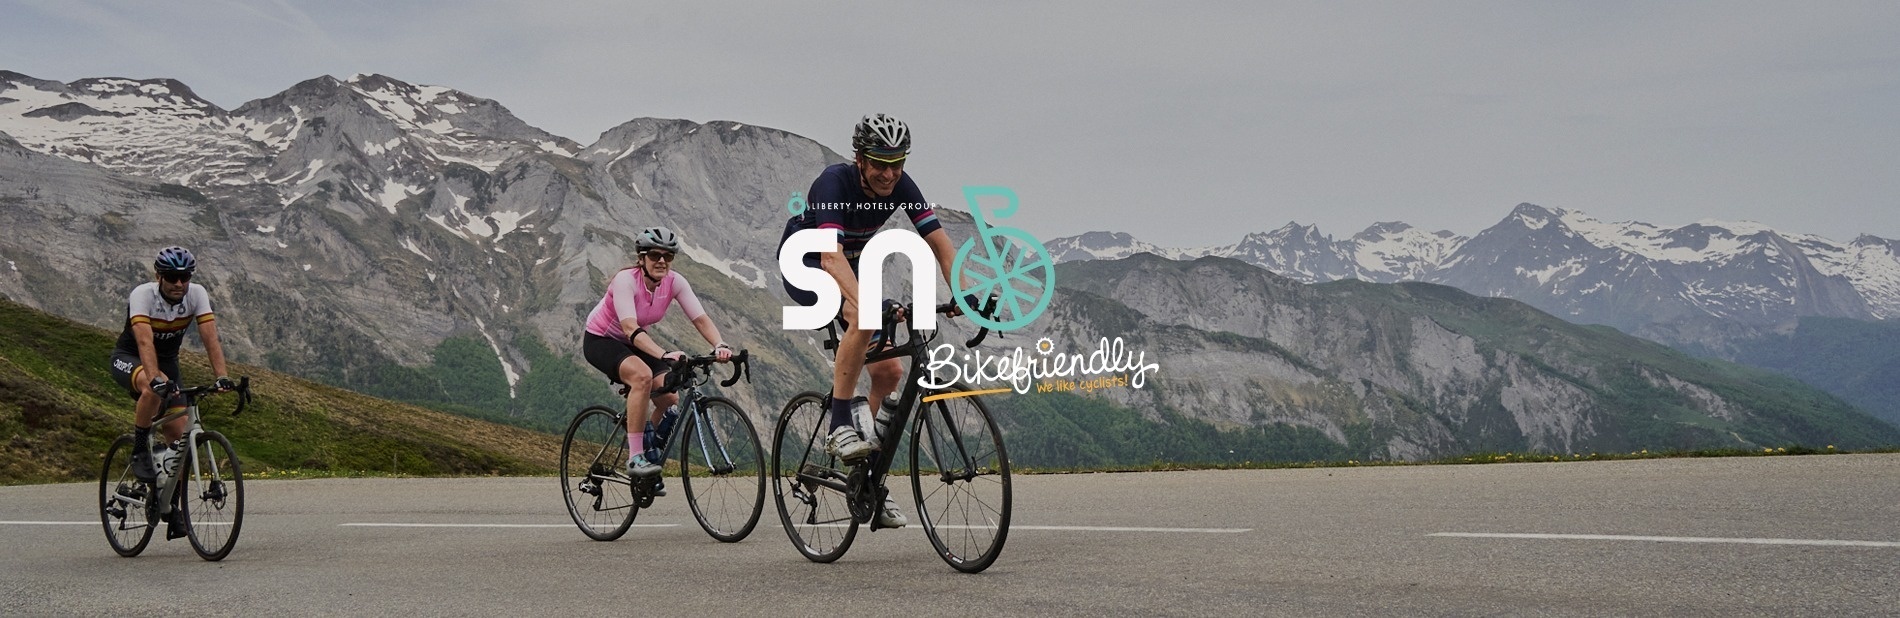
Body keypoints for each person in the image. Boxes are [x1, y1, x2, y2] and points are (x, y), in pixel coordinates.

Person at [776, 113, 969, 528]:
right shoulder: (833, 182)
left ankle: (865, 480)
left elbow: (941, 245)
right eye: (880, 163)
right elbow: (829, 257)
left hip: (851, 261)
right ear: (860, 159)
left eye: (897, 163)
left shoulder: (903, 184)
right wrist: (867, 304)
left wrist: (964, 294)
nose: (889, 173)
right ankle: (840, 423)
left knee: (889, 372)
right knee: (861, 314)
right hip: (809, 261)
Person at [581, 226, 735, 486]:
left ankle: (646, 445)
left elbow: (700, 318)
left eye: (668, 256)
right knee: (641, 377)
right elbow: (630, 328)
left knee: (669, 395)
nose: (662, 261)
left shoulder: (675, 282)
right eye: (654, 255)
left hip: (636, 342)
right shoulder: (625, 281)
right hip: (602, 340)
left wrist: (720, 343)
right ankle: (635, 458)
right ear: (641, 258)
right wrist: (664, 354)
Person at [107, 247, 235, 538]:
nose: (179, 283)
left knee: (179, 438)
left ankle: (169, 507)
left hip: (168, 363)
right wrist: (153, 378)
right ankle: (140, 448)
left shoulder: (196, 294)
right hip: (129, 357)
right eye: (172, 277)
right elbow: (143, 342)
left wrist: (222, 376)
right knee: (152, 389)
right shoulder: (143, 295)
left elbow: (210, 337)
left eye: (185, 277)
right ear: (159, 276)